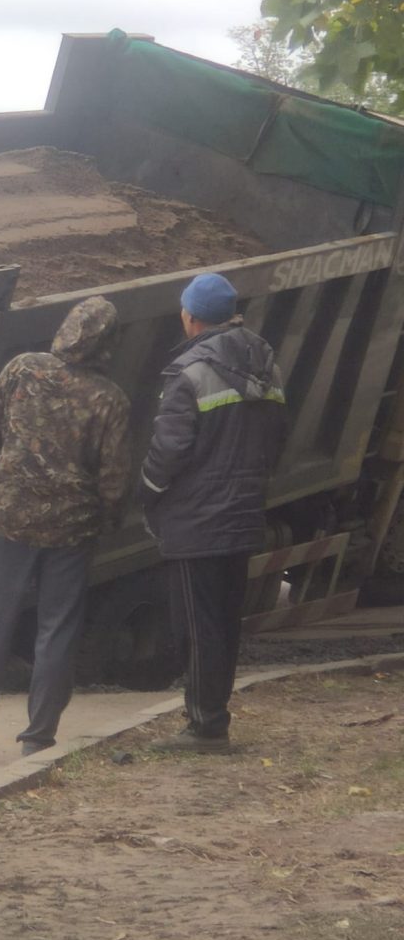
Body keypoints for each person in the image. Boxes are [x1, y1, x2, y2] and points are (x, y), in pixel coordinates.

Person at [0, 296, 131, 764]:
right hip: (73, 532)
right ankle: (38, 742)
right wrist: (109, 521)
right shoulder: (109, 400)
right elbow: (114, 477)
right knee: (56, 630)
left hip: (11, 520)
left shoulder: (23, 370)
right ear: (109, 343)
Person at [140, 273, 286, 755]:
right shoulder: (266, 362)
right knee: (223, 622)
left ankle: (205, 728)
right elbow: (275, 440)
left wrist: (149, 493)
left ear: (191, 317)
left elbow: (169, 451)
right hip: (243, 515)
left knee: (196, 627)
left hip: (196, 521)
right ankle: (213, 718)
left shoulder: (190, 372)